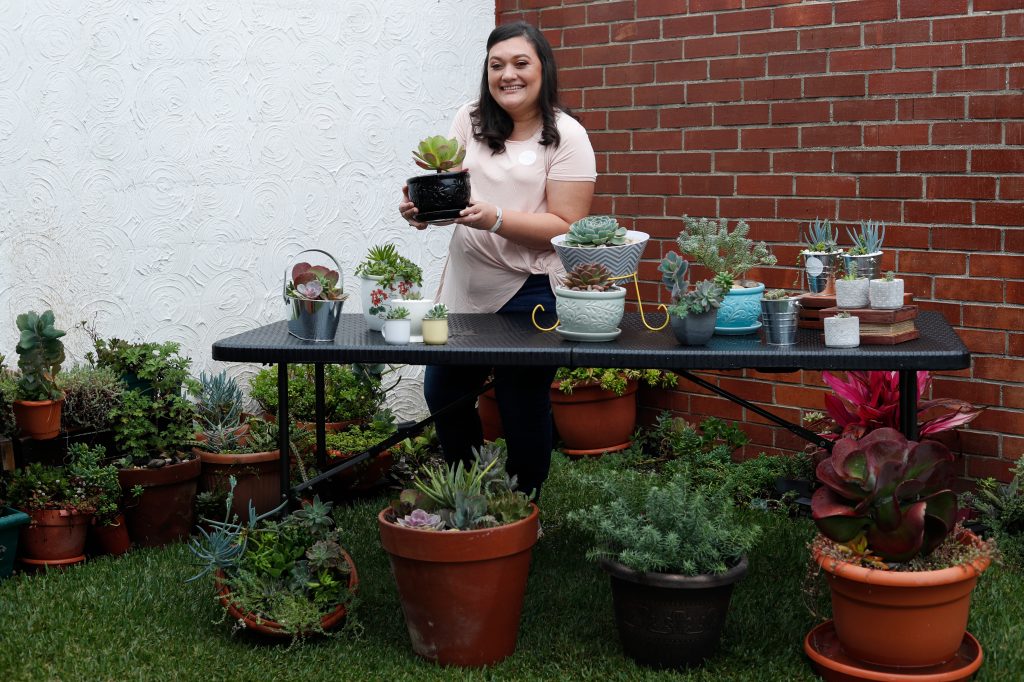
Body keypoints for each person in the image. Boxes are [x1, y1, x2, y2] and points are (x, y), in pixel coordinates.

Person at [399, 21, 596, 498]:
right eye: (496, 65)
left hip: (532, 289)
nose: (508, 74)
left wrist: (496, 218)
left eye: (520, 63)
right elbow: (452, 187)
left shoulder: (567, 136)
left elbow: (568, 227)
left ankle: (523, 501)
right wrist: (423, 212)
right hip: (467, 284)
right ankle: (468, 494)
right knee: (443, 393)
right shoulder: (469, 119)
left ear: (543, 69)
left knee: (520, 400)